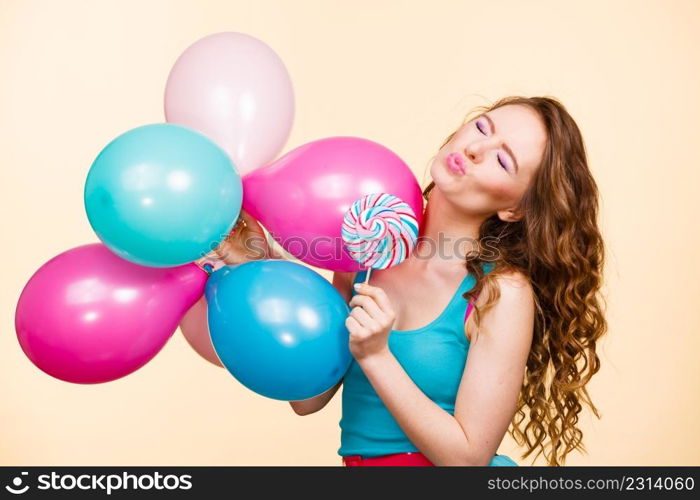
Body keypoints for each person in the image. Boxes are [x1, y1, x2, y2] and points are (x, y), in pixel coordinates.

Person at [213, 95, 607, 466]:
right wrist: (258, 266)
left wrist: (376, 355)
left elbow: (466, 459)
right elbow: (307, 399)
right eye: (483, 128)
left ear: (514, 209)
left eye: (502, 161)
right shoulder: (365, 250)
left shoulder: (499, 293)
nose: (475, 149)